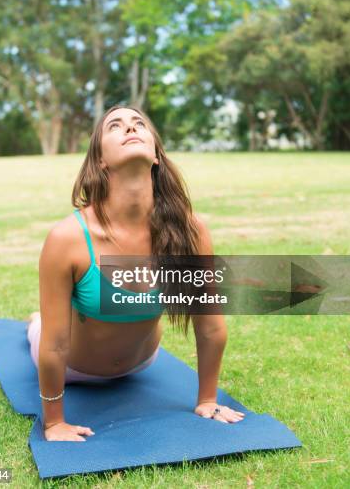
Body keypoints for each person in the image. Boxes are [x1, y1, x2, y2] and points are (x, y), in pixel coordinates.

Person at [26, 105, 245, 441]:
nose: (130, 128)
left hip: (141, 364)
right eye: (115, 125)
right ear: (100, 160)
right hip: (74, 369)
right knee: (43, 328)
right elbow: (55, 346)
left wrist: (207, 400)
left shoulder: (190, 230)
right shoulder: (67, 238)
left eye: (139, 123)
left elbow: (210, 324)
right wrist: (54, 422)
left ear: (156, 154)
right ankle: (33, 321)